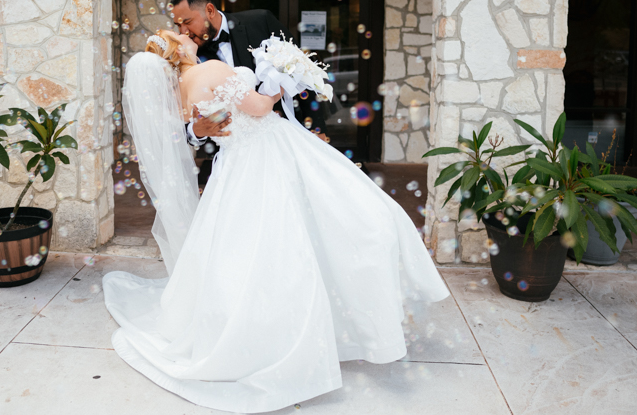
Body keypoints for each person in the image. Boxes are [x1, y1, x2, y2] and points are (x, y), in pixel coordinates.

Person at [102, 29, 450, 414]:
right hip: (269, 151)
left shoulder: (182, 89)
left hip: (236, 163)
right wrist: (284, 81)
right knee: (343, 223)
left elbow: (209, 125)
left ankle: (268, 322)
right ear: (176, 51)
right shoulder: (213, 68)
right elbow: (258, 108)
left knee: (249, 246)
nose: (185, 34)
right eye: (177, 35)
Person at [168, 0, 326, 151]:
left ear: (210, 10)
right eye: (178, 26)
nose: (183, 31)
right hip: (235, 154)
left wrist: (317, 127)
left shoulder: (260, 22)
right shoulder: (190, 56)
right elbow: (179, 117)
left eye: (187, 22)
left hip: (286, 138)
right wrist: (196, 131)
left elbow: (302, 70)